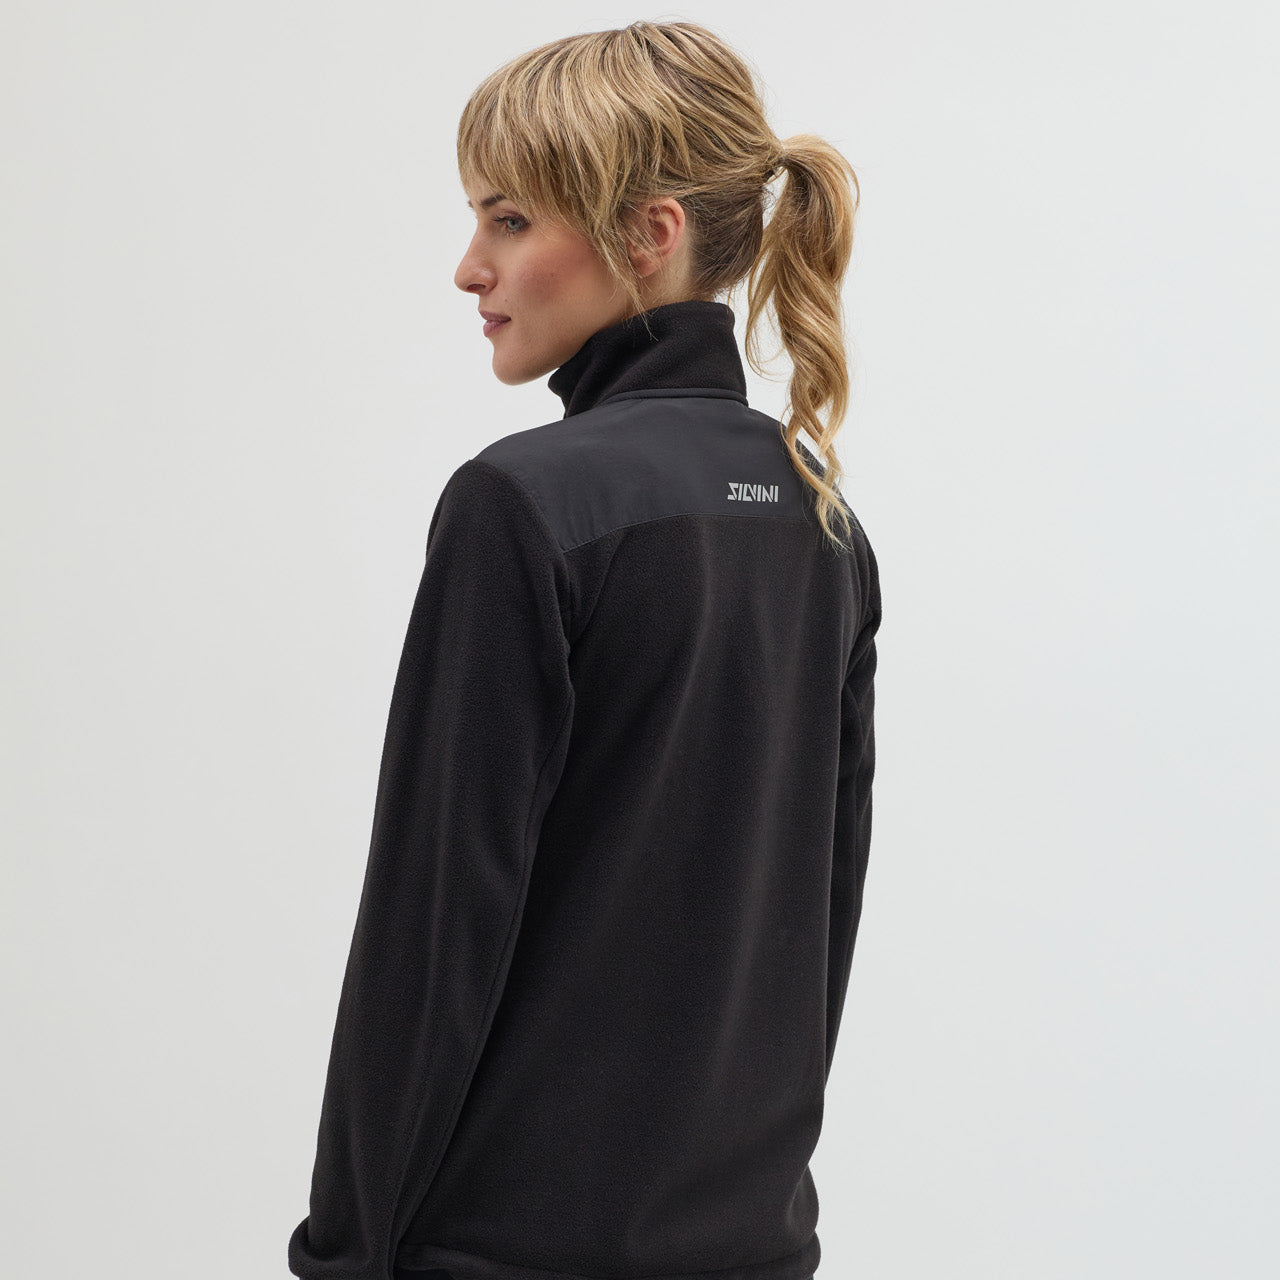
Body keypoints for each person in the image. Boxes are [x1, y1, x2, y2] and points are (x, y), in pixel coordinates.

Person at [288, 20, 879, 1280]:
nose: (469, 267)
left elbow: (431, 923)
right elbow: (821, 922)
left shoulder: (522, 504)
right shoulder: (821, 518)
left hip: (510, 1245)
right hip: (751, 1242)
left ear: (648, 234)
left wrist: (342, 1252)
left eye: (507, 220)